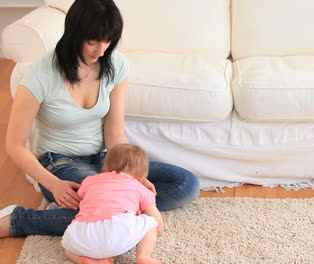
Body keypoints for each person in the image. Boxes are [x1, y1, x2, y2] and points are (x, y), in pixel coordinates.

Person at [0, 0, 199, 238]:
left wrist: (133, 176)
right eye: (92, 41)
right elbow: (14, 144)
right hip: (59, 164)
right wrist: (53, 183)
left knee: (186, 183)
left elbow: (114, 134)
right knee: (109, 202)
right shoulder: (40, 74)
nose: (101, 50)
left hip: (105, 161)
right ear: (74, 34)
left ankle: (114, 208)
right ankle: (17, 221)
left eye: (108, 40)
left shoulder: (116, 64)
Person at [62, 143, 164, 264]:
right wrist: (159, 228)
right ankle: (144, 257)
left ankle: (82, 260)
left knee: (67, 247)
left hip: (83, 233)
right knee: (151, 223)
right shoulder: (140, 187)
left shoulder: (89, 180)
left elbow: (80, 199)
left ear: (107, 165)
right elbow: (153, 214)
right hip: (117, 230)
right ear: (142, 176)